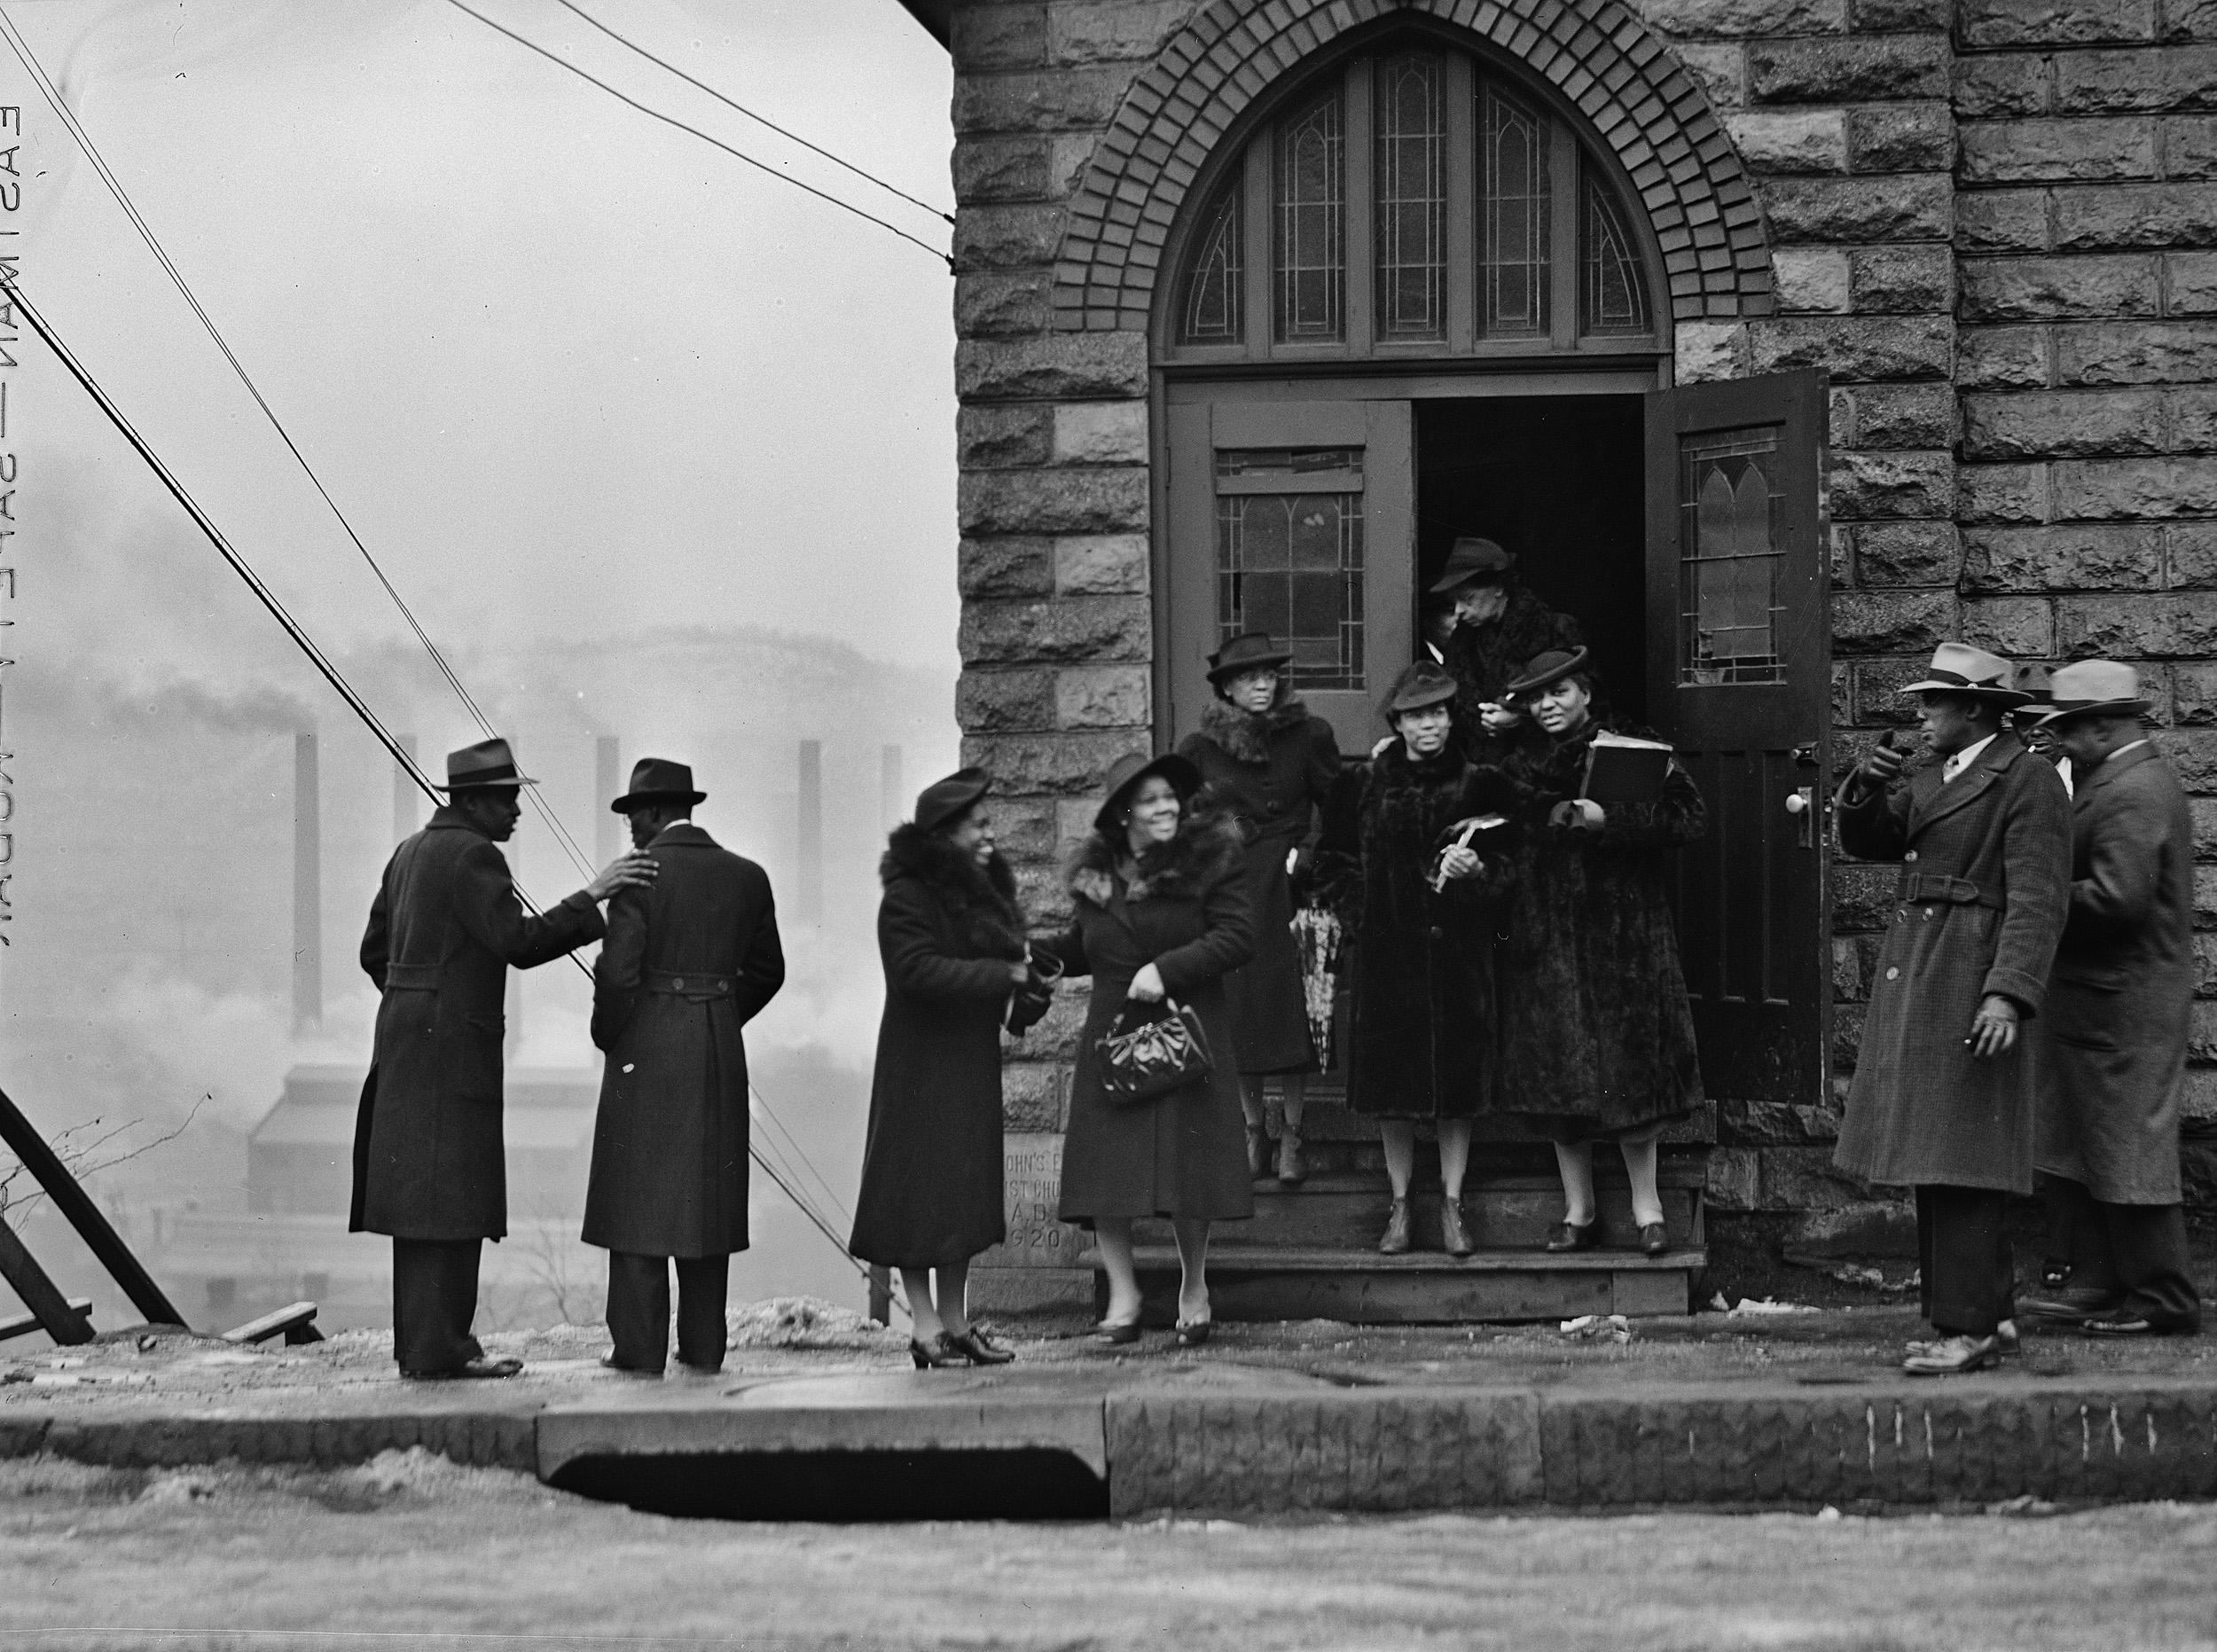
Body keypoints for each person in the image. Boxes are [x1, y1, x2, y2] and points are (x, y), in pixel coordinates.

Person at [353, 737, 654, 1381]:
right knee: (451, 1199)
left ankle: (429, 1345)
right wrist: (594, 893)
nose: (517, 809)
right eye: (507, 798)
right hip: (452, 1054)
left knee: (421, 1202)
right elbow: (519, 942)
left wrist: (420, 998)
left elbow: (372, 952)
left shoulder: (408, 853)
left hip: (405, 1047)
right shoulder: (473, 856)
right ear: (473, 801)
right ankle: (441, 1352)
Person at [1832, 643, 2072, 1376]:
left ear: (1976, 709)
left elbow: (2038, 898)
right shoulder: (1942, 775)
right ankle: (1990, 1317)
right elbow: (1872, 839)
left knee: (1962, 1154)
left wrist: (2008, 991)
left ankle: (1964, 1329)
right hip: (1929, 976)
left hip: (1970, 981)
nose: (1922, 713)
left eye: (1934, 701)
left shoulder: (2026, 781)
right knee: (1940, 1153)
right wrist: (1864, 788)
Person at [1490, 649, 1705, 1258]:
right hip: (1546, 939)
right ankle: (1578, 1209)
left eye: (1558, 692)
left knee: (1632, 1078)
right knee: (1561, 1080)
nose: (1546, 706)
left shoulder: (1633, 745)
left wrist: (1608, 818)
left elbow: (1690, 816)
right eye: (1536, 699)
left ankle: (1648, 1208)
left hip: (1625, 940)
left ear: (1586, 690)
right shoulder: (1520, 761)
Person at [1038, 751, 1255, 1347]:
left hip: (1186, 1027)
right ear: (1125, 813)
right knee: (1104, 1171)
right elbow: (1085, 945)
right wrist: (1037, 955)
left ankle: (1193, 1285)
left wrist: (1168, 968)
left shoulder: (1210, 861)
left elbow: (1238, 936)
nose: (1166, 808)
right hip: (1116, 1035)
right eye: (1151, 799)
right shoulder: (1099, 875)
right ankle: (1124, 1297)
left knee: (1190, 1171)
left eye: (1171, 797)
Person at [582, 758, 785, 1378]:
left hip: (646, 1050)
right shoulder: (748, 876)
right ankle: (704, 1348)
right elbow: (769, 970)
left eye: (632, 818)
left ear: (649, 813)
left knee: (637, 1206)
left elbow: (617, 975)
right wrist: (716, 1015)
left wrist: (613, 1033)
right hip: (719, 1050)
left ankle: (638, 1352)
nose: (631, 833)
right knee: (707, 1203)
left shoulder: (639, 876)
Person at [2018, 663, 2202, 1337]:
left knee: (2129, 1149)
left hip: (2124, 1001)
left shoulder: (2132, 791)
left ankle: (2165, 1297)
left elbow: (2118, 899)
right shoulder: (2118, 779)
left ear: (2104, 724)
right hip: (2104, 998)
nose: (2060, 740)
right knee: (2086, 1143)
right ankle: (2101, 1279)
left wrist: (2035, 897)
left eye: (2068, 728)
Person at [1311, 661, 1516, 1255]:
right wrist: (1363, 917)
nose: (1429, 725)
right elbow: (1332, 862)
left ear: (1452, 718)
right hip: (1387, 959)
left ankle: (1452, 1205)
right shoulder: (1362, 784)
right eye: (1415, 715)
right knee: (1391, 1091)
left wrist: (1478, 872)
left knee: (1457, 1090)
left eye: (1438, 713)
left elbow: (1512, 867)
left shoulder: (1482, 783)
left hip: (1459, 958)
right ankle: (1400, 1205)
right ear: (1396, 722)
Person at [850, 767, 1044, 1368]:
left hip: (967, 1063)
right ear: (946, 834)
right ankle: (926, 1326)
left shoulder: (981, 893)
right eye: (979, 825)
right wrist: (1003, 975)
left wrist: (1027, 991)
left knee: (961, 1196)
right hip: (920, 1070)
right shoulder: (906, 896)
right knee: (916, 1200)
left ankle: (957, 1323)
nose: (990, 833)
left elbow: (1003, 968)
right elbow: (917, 972)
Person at [1177, 631, 1340, 1185]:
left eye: (1269, 675)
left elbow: (1335, 806)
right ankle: (1254, 1130)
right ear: (1226, 687)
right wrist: (1222, 839)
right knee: (1241, 1014)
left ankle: (1293, 1132)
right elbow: (1185, 820)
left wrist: (1308, 856)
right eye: (1249, 677)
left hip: (1292, 886)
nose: (1262, 684)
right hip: (1234, 887)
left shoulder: (1310, 734)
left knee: (1290, 1011)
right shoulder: (1200, 749)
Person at [1430, 536, 1584, 759]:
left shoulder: (1555, 630)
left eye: (1468, 599)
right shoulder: (1460, 644)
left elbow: (1587, 708)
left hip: (1542, 766)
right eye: (1454, 602)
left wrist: (1520, 720)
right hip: (1479, 771)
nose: (1459, 611)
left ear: (1499, 588)